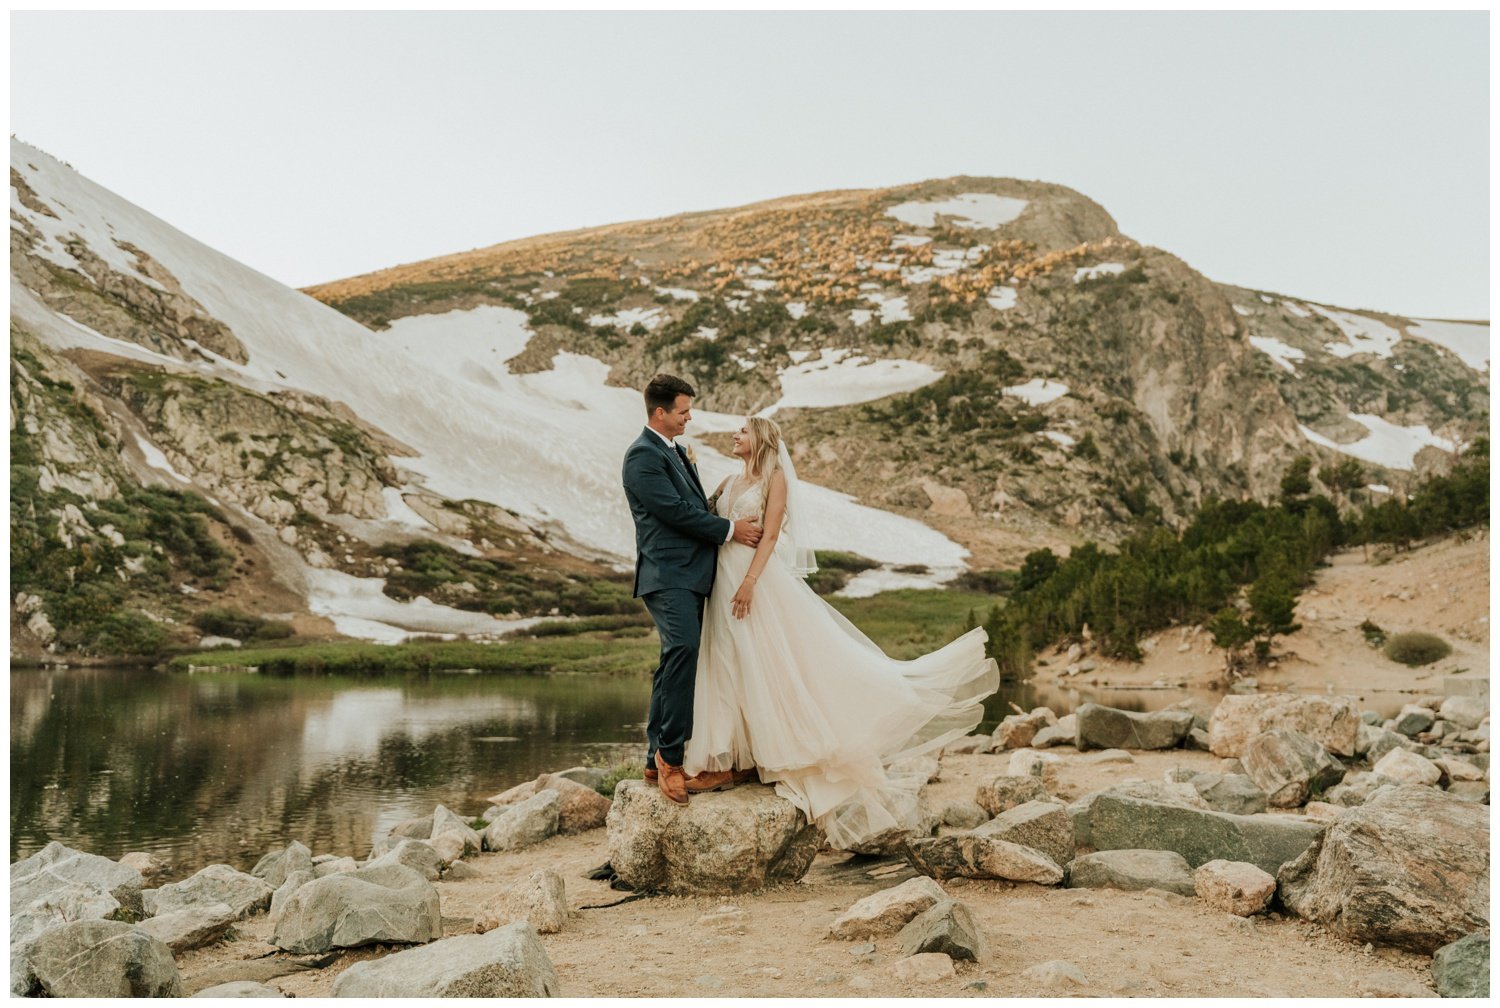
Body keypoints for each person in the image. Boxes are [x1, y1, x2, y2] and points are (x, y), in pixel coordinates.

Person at [683, 416, 999, 849]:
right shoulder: (726, 481)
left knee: (763, 660)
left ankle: (767, 753)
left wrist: (751, 581)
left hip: (753, 580)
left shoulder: (775, 480)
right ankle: (733, 756)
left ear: (760, 438)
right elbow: (704, 519)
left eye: (743, 430)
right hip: (722, 577)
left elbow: (772, 535)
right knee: (726, 660)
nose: (735, 435)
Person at [621, 374, 762, 805]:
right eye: (683, 411)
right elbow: (675, 513)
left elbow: (693, 504)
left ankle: (652, 757)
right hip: (667, 574)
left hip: (693, 574)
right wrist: (730, 528)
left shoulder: (678, 452)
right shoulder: (642, 457)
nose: (689, 417)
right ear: (660, 412)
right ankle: (670, 758)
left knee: (673, 660)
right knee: (682, 650)